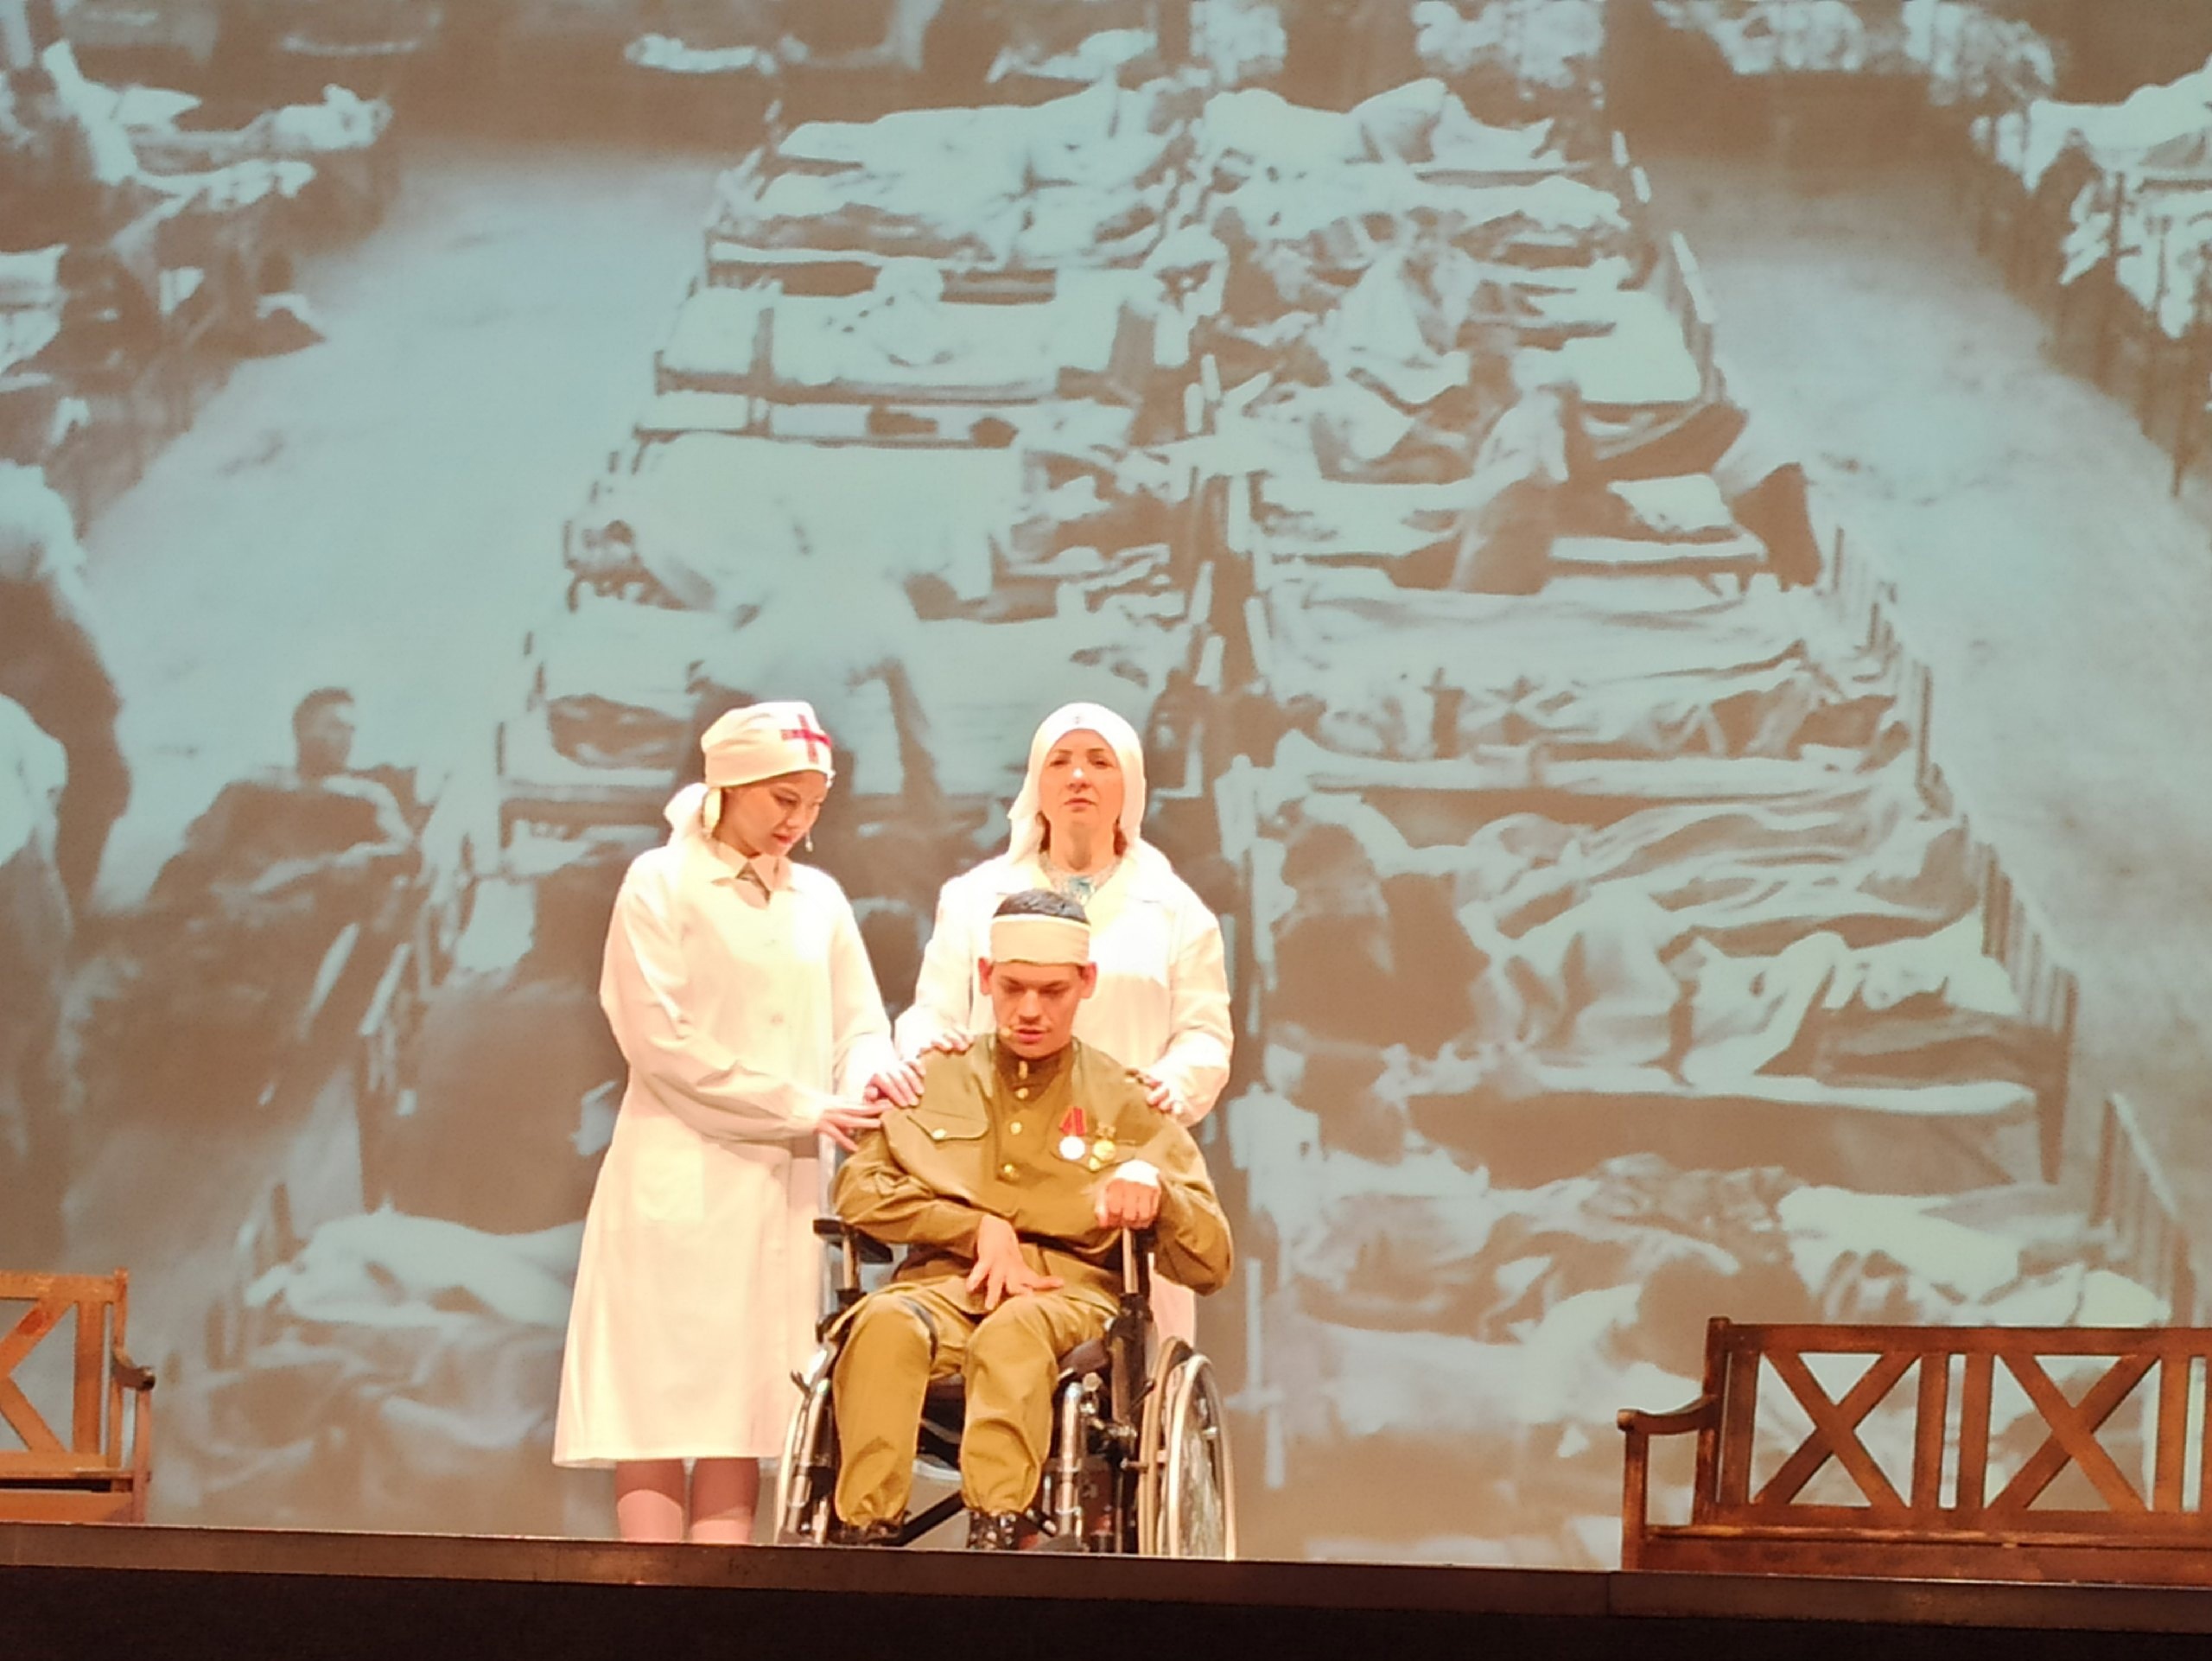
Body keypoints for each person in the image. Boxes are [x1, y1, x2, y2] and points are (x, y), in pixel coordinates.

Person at [554, 700, 902, 1545]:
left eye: (813, 804)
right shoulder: (660, 883)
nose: (798, 821)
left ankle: (721, 1602)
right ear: (730, 785)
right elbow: (661, 1042)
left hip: (778, 1184)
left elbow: (859, 1024)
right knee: (654, 1404)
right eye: (783, 799)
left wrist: (868, 1078)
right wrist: (801, 1105)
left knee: (741, 1409)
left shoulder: (818, 898)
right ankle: (651, 1600)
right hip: (677, 1170)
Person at [830, 888, 1233, 1549]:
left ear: (1087, 982)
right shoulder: (936, 1078)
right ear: (985, 977)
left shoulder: (1126, 1099)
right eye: (1013, 987)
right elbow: (859, 1190)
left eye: (1052, 992)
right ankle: (862, 1537)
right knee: (883, 1323)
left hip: (1066, 1296)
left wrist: (1159, 1195)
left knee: (1015, 1331)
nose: (1029, 1010)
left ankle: (997, 1534)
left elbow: (1212, 1261)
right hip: (946, 1288)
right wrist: (972, 1228)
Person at [883, 700, 1232, 1341]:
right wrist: (930, 1051)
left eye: (1099, 762)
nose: (1078, 777)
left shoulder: (1175, 910)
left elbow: (1204, 1034)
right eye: (1060, 762)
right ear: (1035, 784)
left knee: (1124, 1354)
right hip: (996, 1159)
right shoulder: (974, 897)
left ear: (1129, 785)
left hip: (1116, 1160)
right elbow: (932, 1008)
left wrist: (1169, 1085)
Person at [0, 453, 128, 913]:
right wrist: (101, 672)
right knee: (101, 776)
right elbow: (67, 603)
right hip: (30, 664)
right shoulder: (29, 503)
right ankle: (67, 906)